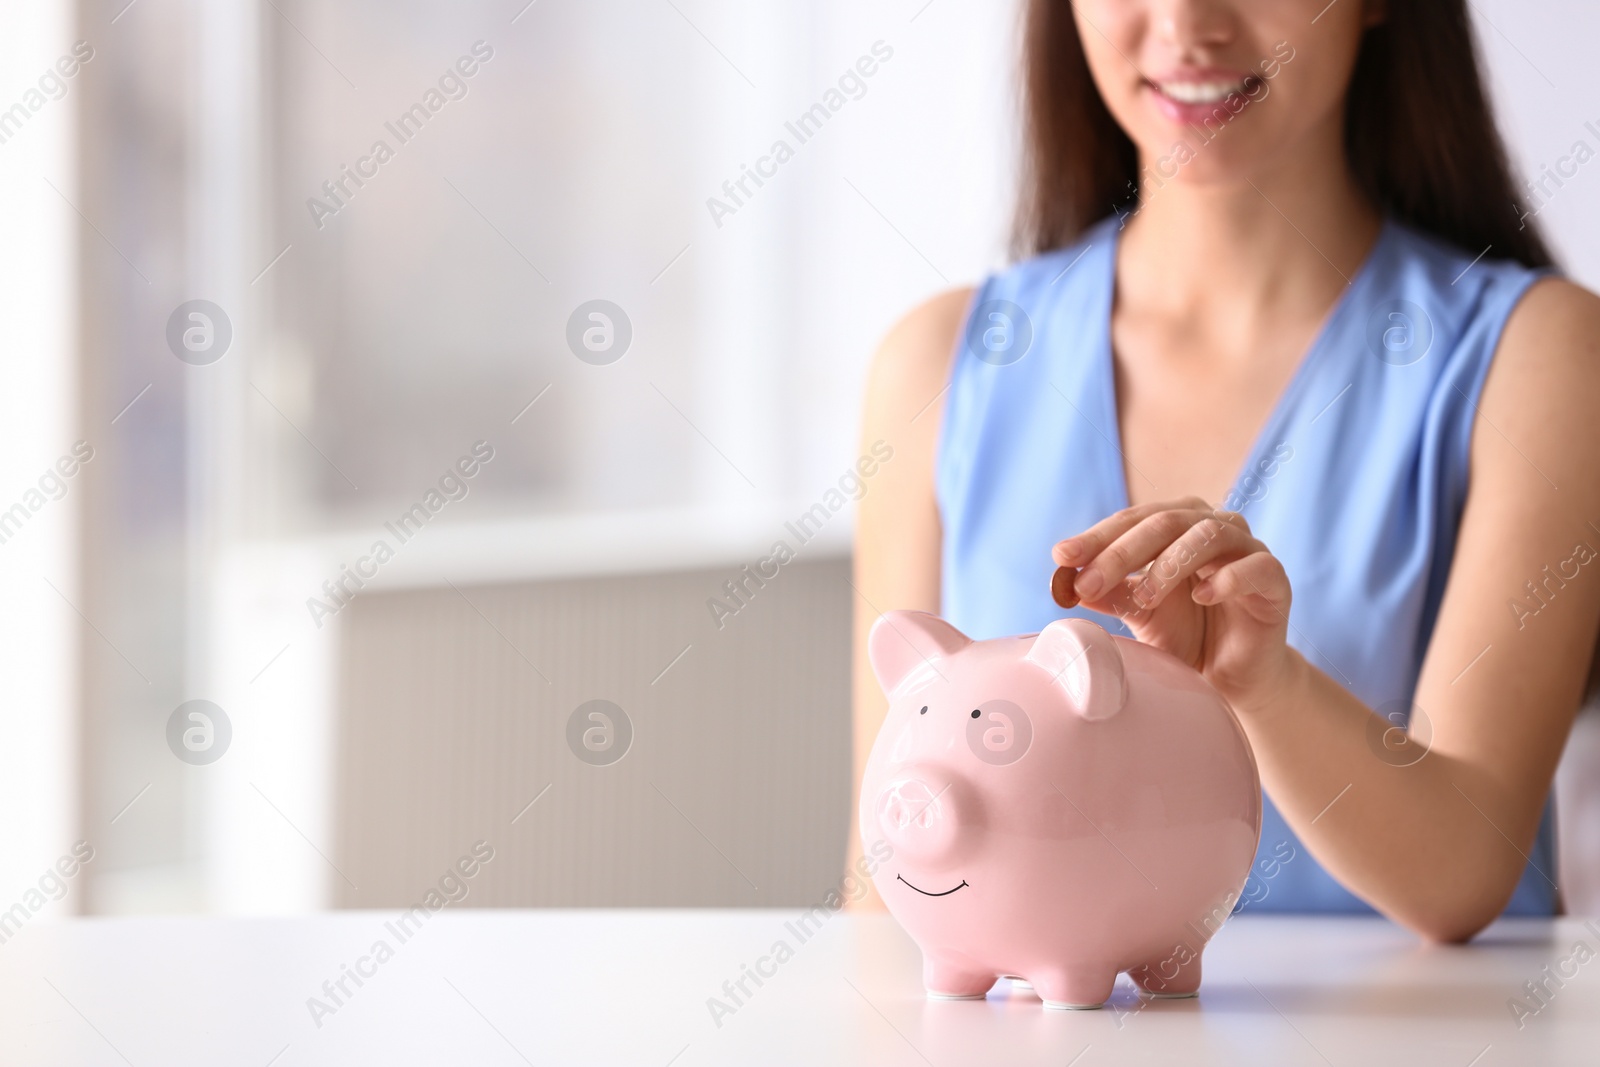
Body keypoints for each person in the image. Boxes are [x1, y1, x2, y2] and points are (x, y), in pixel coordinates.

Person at [849, 0, 1600, 942]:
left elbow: (1465, 871)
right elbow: (883, 893)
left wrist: (1267, 681)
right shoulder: (934, 362)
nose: (1186, 23)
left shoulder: (1544, 356)